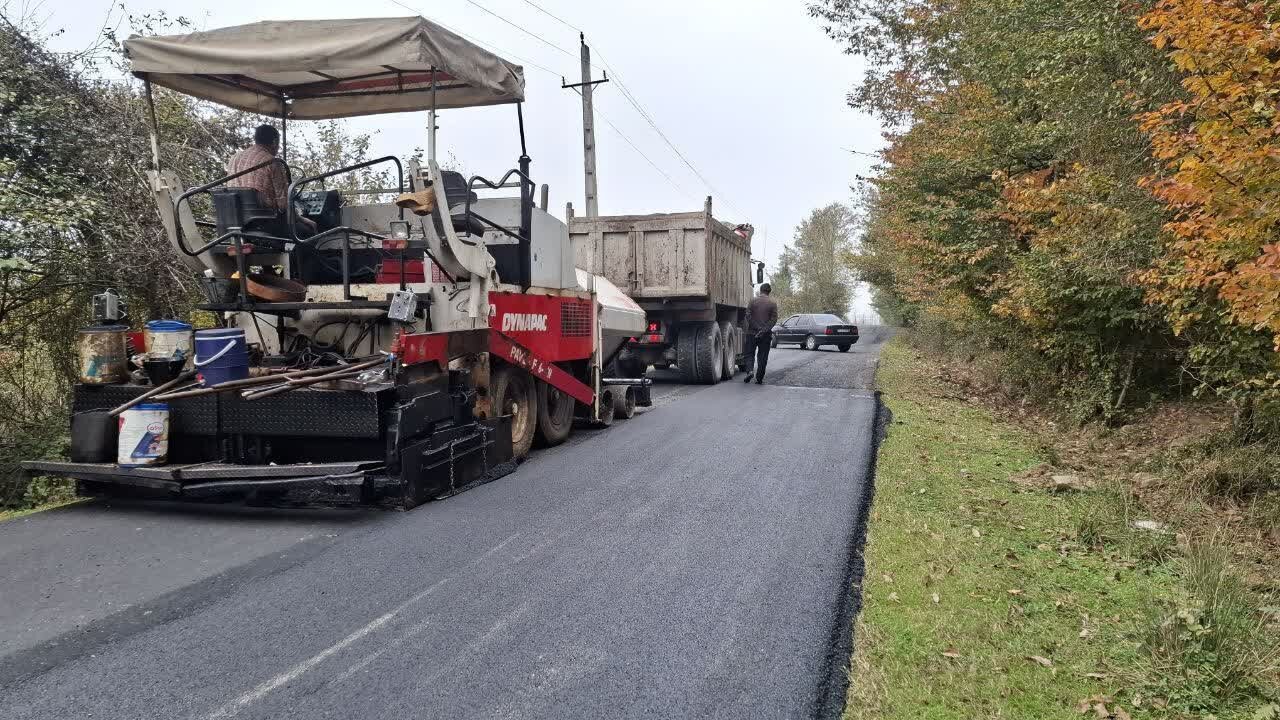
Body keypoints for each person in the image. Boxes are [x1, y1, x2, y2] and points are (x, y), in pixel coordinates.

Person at [226, 125, 315, 237]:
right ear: (274, 142)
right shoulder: (272, 162)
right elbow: (283, 205)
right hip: (265, 224)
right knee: (307, 231)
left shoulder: (234, 158)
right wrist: (301, 218)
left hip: (235, 223)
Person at [742, 283, 779, 384]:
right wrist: (763, 330)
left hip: (751, 333)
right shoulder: (772, 303)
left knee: (749, 353)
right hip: (765, 335)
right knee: (763, 356)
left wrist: (756, 327)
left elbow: (748, 315)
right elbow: (774, 319)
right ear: (769, 291)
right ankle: (759, 378)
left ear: (760, 290)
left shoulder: (753, 301)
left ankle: (749, 371)